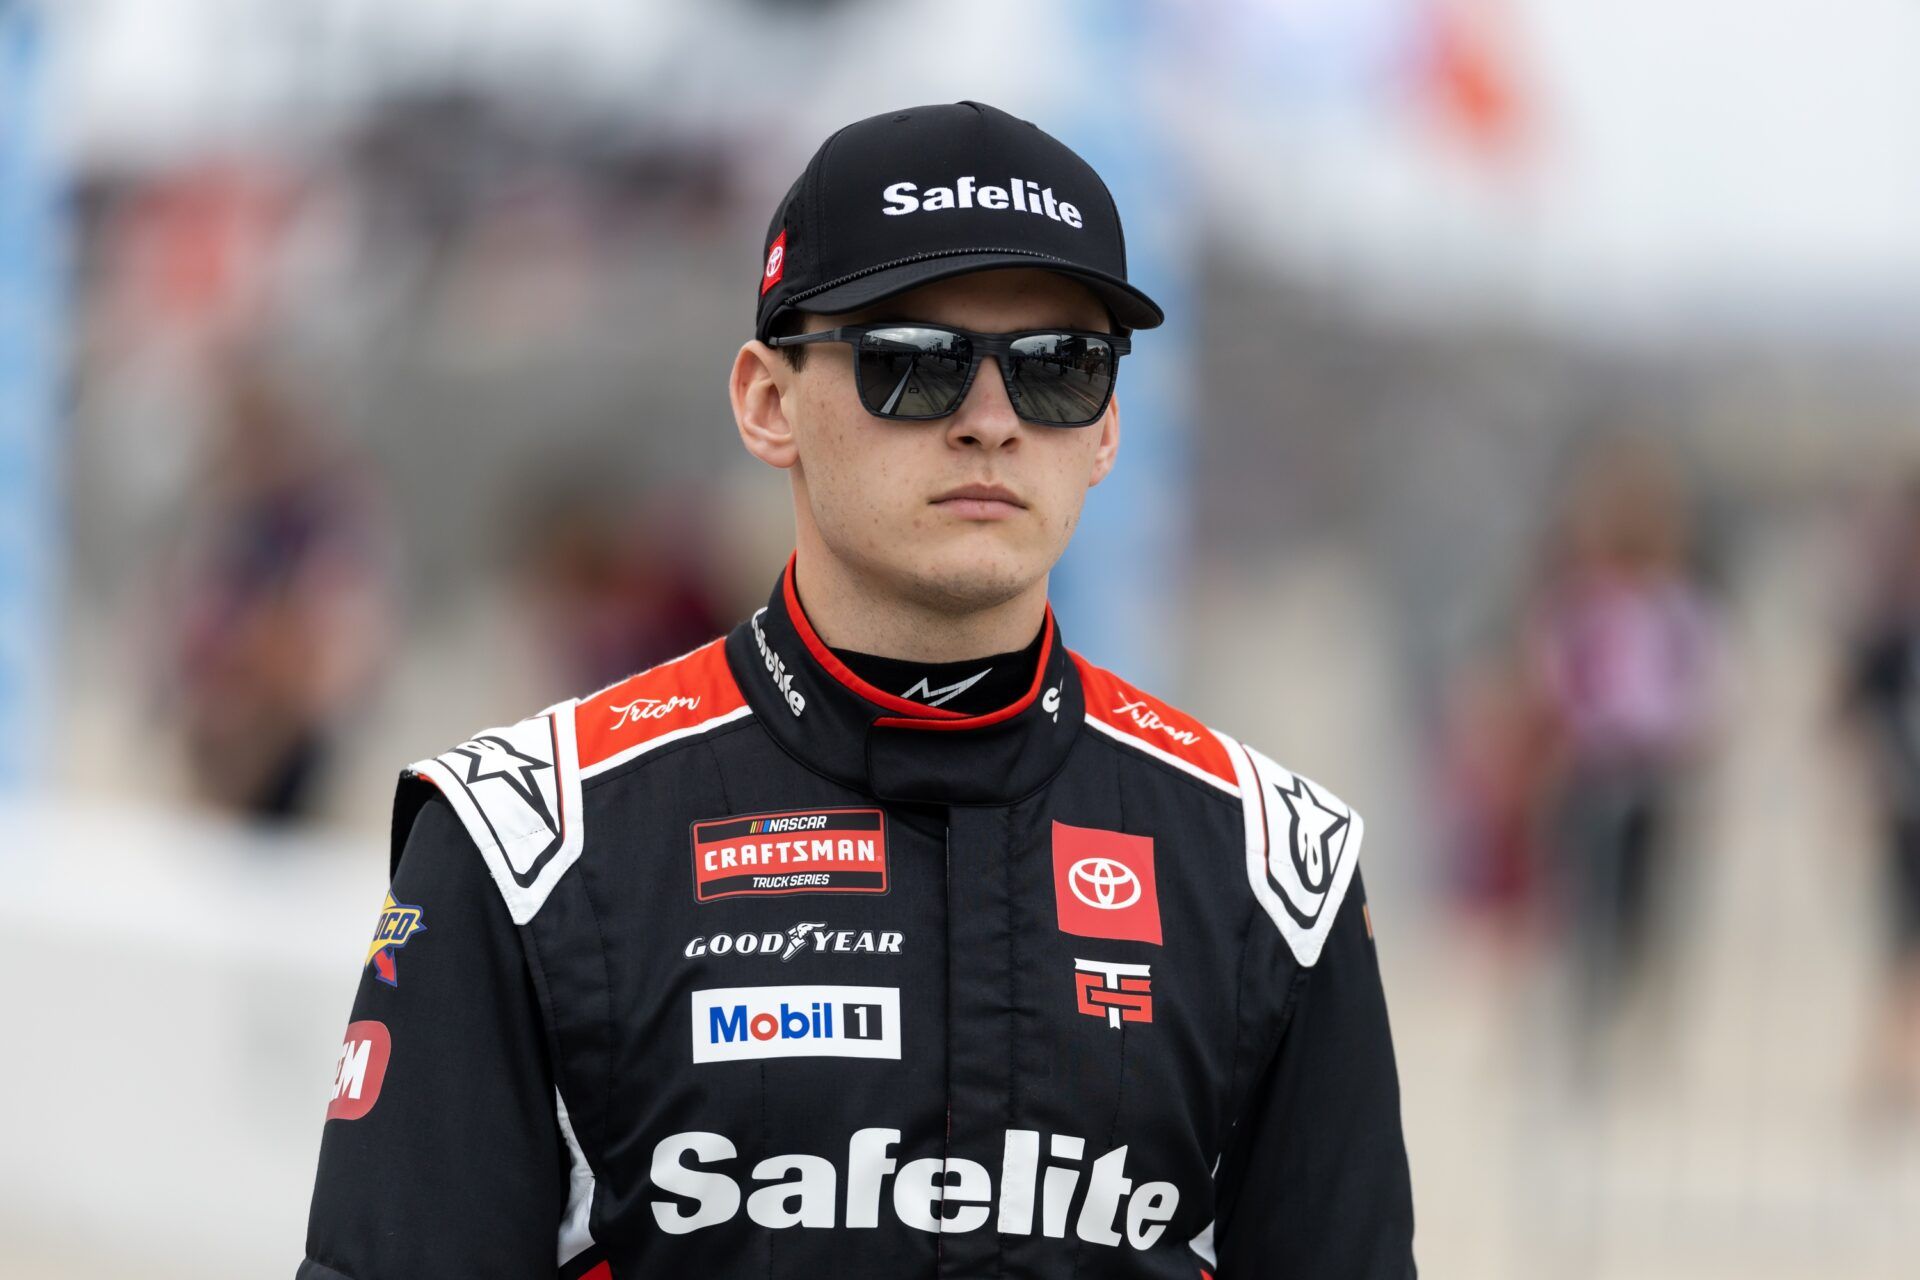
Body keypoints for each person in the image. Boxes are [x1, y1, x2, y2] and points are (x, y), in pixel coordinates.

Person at [298, 100, 1417, 1279]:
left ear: (1105, 432)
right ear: (767, 401)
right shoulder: (526, 841)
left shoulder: (1274, 867)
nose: (991, 421)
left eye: (1058, 368)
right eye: (912, 365)